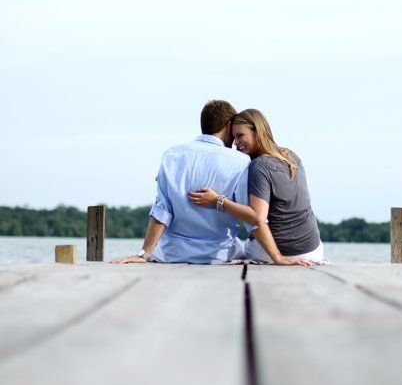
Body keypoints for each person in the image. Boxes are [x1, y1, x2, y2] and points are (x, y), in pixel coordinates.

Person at [111, 100, 250, 264]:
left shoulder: (172, 155)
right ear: (228, 126)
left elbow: (162, 210)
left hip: (172, 254)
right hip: (219, 255)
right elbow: (252, 216)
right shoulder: (241, 161)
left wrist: (143, 254)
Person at [188, 108, 326, 265]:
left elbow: (257, 216)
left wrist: (218, 201)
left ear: (257, 131)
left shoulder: (258, 166)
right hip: (313, 251)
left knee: (229, 247)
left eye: (240, 136)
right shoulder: (292, 157)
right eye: (233, 138)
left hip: (275, 253)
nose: (236, 143)